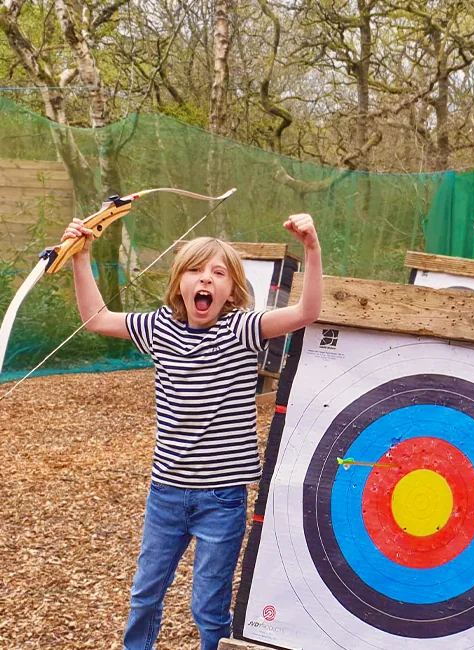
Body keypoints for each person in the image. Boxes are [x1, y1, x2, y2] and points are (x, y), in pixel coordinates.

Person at [61, 214, 323, 650]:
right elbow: (96, 318)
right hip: (166, 493)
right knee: (145, 596)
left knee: (208, 606)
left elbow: (307, 312)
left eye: (218, 273)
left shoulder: (243, 329)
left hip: (221, 497)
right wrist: (81, 257)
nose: (206, 279)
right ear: (178, 283)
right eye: (195, 271)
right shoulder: (158, 326)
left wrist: (312, 249)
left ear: (232, 289)